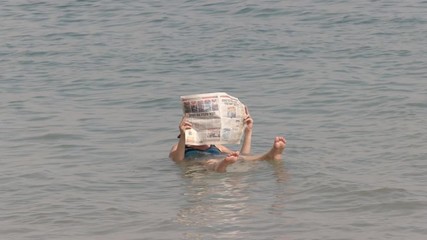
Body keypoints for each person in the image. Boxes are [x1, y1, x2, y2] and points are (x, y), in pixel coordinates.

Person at [169, 108, 287, 172]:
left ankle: (271, 154)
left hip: (220, 160)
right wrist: (183, 136)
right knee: (209, 162)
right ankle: (223, 164)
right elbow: (178, 160)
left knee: (242, 158)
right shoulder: (181, 147)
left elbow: (242, 155)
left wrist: (248, 132)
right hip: (201, 165)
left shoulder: (216, 146)